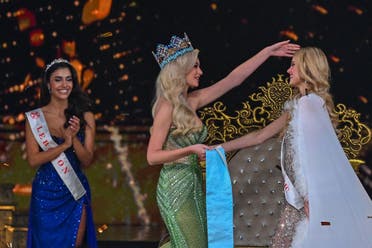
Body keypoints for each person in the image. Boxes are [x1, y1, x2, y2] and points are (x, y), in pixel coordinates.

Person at [146, 33, 299, 248]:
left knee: (194, 244)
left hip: (194, 182)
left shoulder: (193, 100)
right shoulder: (166, 106)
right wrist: (190, 150)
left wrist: (267, 53)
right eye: (195, 66)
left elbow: (233, 79)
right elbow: (152, 156)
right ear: (180, 69)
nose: (201, 72)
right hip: (175, 187)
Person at [219, 47, 372, 247]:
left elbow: (315, 157)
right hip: (299, 199)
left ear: (307, 68)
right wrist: (219, 147)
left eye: (293, 65)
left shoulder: (309, 105)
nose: (288, 71)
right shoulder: (301, 105)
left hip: (310, 199)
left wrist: (310, 198)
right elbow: (260, 136)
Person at [25, 58, 97, 247]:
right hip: (45, 193)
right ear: (48, 84)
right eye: (58, 79)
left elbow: (87, 160)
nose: (64, 85)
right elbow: (33, 160)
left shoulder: (86, 116)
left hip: (74, 192)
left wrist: (73, 139)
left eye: (68, 79)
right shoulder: (35, 117)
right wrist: (64, 145)